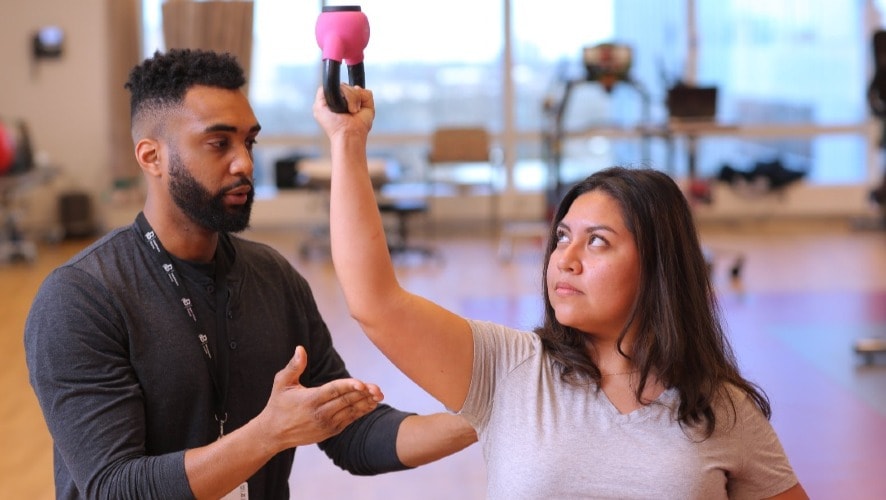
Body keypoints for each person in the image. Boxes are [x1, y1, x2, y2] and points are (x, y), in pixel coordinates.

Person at [314, 84, 809, 499]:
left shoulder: (721, 407)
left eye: (597, 242)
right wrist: (347, 141)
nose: (564, 259)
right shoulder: (508, 369)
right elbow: (375, 301)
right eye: (562, 238)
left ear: (659, 265)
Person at [24, 49, 476, 500]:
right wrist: (268, 434)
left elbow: (353, 437)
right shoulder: (81, 297)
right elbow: (113, 489)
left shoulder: (273, 277)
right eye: (219, 143)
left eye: (249, 142)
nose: (244, 163)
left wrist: (491, 413)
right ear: (151, 157)